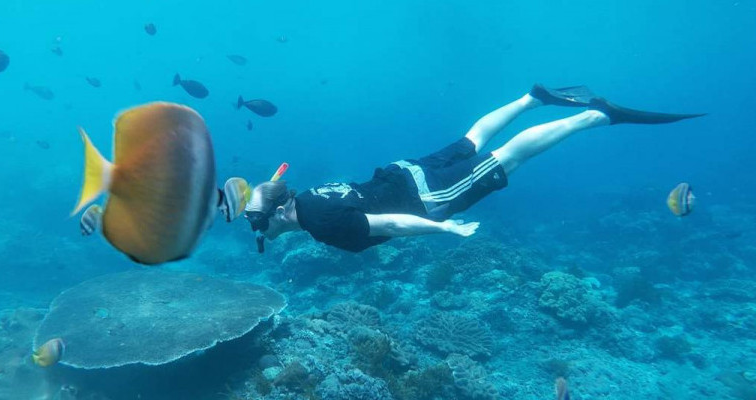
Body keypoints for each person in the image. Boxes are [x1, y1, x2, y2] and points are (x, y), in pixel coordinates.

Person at [242, 84, 704, 253]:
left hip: (425, 198)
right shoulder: (306, 196)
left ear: (273, 217)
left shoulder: (318, 224)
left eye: (254, 223)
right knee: (472, 140)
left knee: (508, 158)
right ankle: (533, 98)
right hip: (403, 172)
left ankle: (595, 115)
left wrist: (446, 231)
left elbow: (392, 224)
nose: (255, 230)